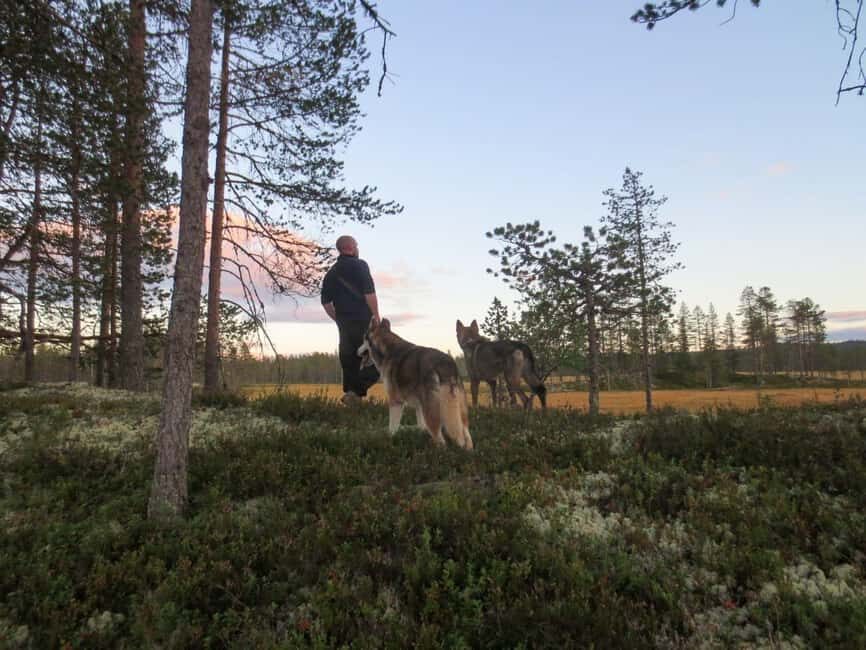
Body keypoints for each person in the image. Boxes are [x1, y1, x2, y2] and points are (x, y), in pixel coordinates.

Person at [321, 235, 381, 405]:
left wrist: (338, 319)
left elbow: (325, 303)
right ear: (352, 247)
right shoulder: (360, 265)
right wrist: (376, 316)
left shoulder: (331, 273)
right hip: (364, 322)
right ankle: (355, 392)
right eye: (357, 245)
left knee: (349, 362)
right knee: (379, 359)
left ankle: (352, 403)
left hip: (344, 324)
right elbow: (369, 293)